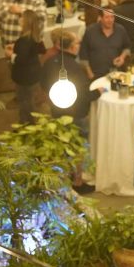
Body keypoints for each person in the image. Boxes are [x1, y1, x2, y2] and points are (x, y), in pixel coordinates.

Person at [40, 30, 99, 194]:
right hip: (76, 115)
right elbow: (85, 95)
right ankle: (78, 181)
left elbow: (43, 84)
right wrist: (99, 92)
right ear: (72, 47)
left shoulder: (50, 61)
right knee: (78, 148)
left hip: (57, 111)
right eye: (78, 43)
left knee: (64, 145)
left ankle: (66, 177)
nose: (79, 46)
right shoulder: (74, 68)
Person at [7, 10, 46, 124]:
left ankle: (27, 124)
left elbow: (21, 59)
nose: (19, 20)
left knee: (25, 102)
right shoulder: (35, 36)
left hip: (24, 77)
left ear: (26, 22)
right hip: (33, 74)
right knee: (29, 101)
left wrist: (11, 55)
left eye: (21, 18)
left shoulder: (24, 40)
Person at [79, 8, 130, 79]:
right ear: (100, 18)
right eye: (107, 17)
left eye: (112, 17)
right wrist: (90, 73)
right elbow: (83, 55)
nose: (110, 20)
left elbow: (127, 48)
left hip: (115, 74)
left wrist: (122, 57)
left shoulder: (121, 30)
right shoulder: (90, 31)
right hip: (96, 75)